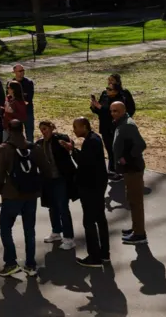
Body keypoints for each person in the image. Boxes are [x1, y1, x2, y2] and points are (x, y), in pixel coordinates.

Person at [0, 119, 50, 277]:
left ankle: (11, 262)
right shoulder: (34, 147)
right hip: (31, 195)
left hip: (12, 194)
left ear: (8, 129)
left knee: (5, 228)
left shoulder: (4, 149)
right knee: (29, 230)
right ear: (23, 129)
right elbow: (46, 169)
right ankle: (31, 264)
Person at [63, 117, 110, 267]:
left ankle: (94, 257)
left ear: (84, 126)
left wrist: (72, 151)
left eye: (76, 127)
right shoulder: (94, 139)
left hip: (91, 188)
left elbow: (84, 163)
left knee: (89, 222)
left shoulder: (91, 142)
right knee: (100, 220)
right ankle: (104, 253)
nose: (74, 130)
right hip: (97, 186)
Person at [110, 100, 148, 245]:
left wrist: (126, 158)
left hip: (133, 169)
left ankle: (140, 234)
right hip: (128, 170)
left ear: (123, 110)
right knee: (132, 200)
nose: (113, 113)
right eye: (112, 111)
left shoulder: (127, 125)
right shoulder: (122, 123)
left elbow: (141, 144)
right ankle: (135, 228)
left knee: (136, 202)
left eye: (116, 111)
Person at [36, 120, 77, 251]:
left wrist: (67, 145)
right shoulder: (40, 144)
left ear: (51, 128)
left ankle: (69, 238)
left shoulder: (60, 139)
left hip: (60, 179)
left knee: (63, 207)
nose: (43, 131)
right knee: (52, 207)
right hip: (48, 180)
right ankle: (56, 232)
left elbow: (70, 145)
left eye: (45, 128)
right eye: (41, 129)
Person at [90, 74, 136, 180]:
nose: (109, 83)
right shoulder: (104, 94)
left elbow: (129, 109)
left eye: (112, 81)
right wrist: (94, 107)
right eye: (108, 81)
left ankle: (122, 170)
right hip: (106, 126)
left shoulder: (123, 95)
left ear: (118, 82)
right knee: (110, 149)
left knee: (119, 149)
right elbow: (100, 111)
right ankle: (112, 170)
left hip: (118, 127)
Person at [13, 64, 35, 141]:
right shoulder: (11, 83)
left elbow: (29, 98)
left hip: (27, 112)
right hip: (16, 113)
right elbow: (9, 98)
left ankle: (31, 152)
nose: (22, 72)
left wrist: (17, 97)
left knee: (29, 135)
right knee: (17, 135)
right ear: (14, 72)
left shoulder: (29, 82)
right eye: (20, 71)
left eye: (23, 70)